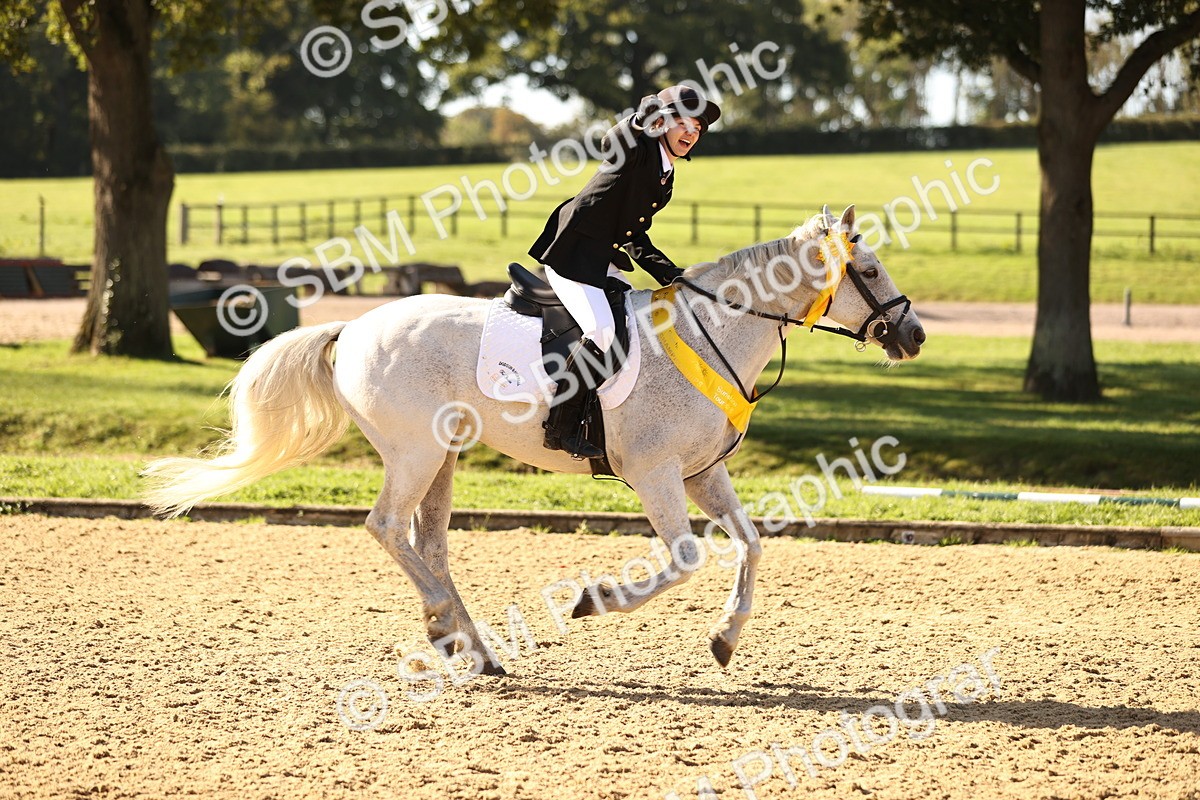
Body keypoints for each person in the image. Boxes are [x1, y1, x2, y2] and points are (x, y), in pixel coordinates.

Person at [529, 85, 722, 458]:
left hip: (602, 260)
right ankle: (560, 427)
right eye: (682, 124)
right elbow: (615, 140)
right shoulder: (638, 150)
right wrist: (639, 120)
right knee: (601, 330)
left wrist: (673, 275)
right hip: (573, 255)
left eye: (696, 129)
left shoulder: (664, 178)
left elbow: (634, 234)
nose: (690, 134)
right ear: (662, 123)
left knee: (635, 327)